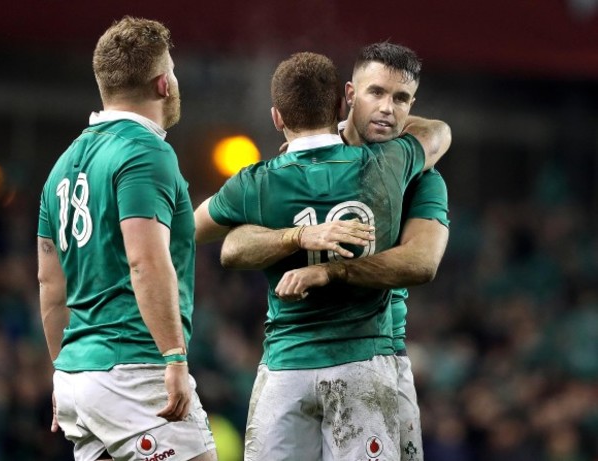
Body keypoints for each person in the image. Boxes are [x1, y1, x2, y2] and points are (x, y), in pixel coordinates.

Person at [195, 50, 450, 460]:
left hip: (380, 352)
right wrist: (300, 235)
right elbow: (230, 247)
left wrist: (331, 272)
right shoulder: (388, 163)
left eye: (401, 99)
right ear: (347, 97)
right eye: (377, 93)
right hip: (315, 359)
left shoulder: (417, 173)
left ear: (279, 117)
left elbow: (422, 262)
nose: (387, 107)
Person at [36, 16, 216, 461]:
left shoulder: (62, 167)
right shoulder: (145, 151)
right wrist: (173, 356)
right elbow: (145, 261)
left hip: (79, 379)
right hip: (134, 369)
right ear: (162, 84)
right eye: (172, 70)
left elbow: (50, 286)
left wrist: (64, 370)